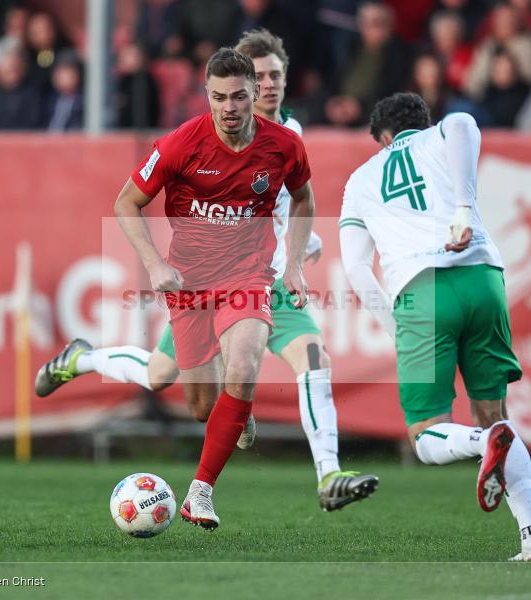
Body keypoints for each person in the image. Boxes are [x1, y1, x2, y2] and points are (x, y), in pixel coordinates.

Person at [35, 29, 379, 512]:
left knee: (286, 362)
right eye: (222, 96)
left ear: (260, 91)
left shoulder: (287, 141)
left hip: (256, 276)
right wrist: (154, 263)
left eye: (253, 87)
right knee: (177, 387)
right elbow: (126, 202)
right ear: (209, 96)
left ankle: (278, 480)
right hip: (193, 280)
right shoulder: (182, 144)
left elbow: (303, 200)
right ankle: (84, 359)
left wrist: (297, 262)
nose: (234, 104)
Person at [338, 92, 531, 562]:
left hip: (422, 293)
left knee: (425, 436)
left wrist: (394, 323)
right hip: (483, 279)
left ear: (381, 138)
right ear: (422, 121)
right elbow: (462, 124)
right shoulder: (442, 136)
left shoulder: (360, 179)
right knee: (496, 414)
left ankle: (481, 444)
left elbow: (355, 268)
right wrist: (462, 210)